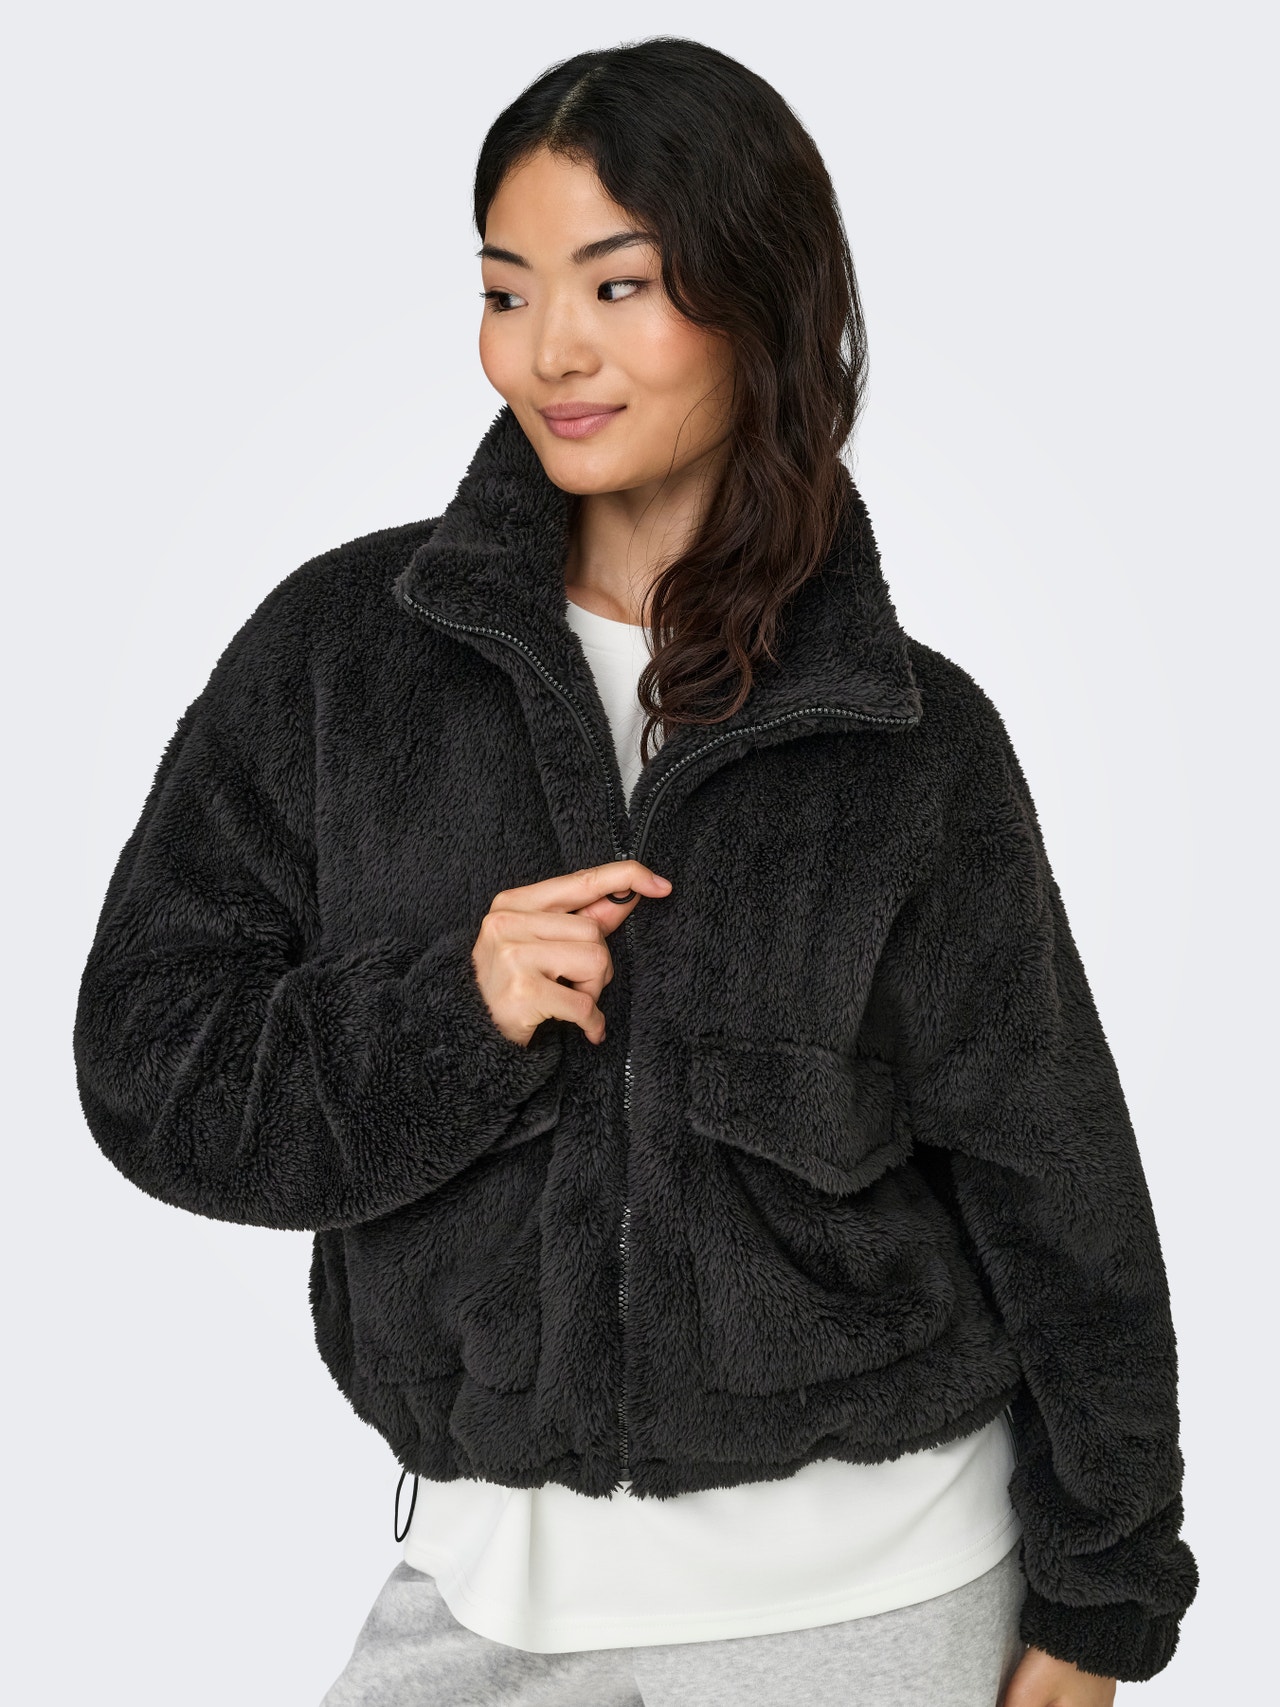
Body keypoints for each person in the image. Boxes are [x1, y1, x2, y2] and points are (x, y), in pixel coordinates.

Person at [72, 36, 1198, 1707]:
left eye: (619, 285)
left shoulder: (909, 737)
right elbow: (147, 1066)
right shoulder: (341, 659)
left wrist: (1105, 1590)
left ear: (757, 301)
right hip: (481, 1589)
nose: (551, 349)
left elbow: (1054, 1172)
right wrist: (449, 1014)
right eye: (506, 289)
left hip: (876, 1604)